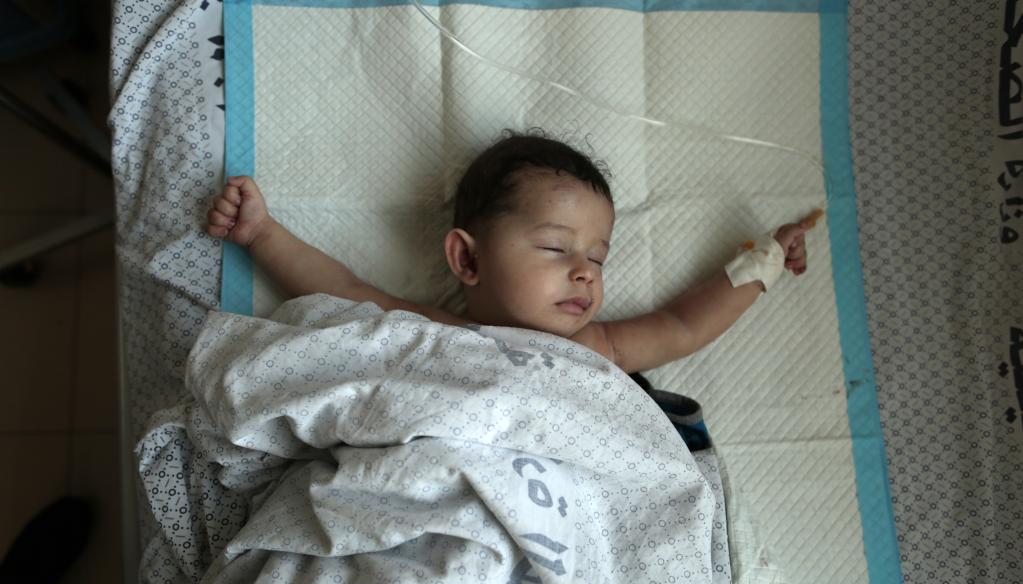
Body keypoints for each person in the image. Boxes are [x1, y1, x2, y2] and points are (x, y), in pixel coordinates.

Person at [205, 130, 820, 374]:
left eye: (598, 258)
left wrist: (765, 262)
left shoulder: (597, 347)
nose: (585, 272)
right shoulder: (435, 332)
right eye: (555, 247)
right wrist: (262, 234)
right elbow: (345, 292)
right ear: (468, 261)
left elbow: (685, 325)